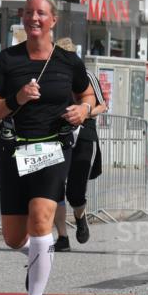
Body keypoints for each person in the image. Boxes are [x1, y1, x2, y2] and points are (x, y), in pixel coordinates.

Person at [0, 0, 96, 295]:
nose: (34, 18)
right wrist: (16, 98)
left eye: (41, 13)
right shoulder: (7, 60)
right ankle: (36, 254)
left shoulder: (68, 62)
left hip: (52, 150)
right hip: (14, 150)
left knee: (42, 218)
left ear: (53, 20)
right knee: (14, 238)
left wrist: (83, 109)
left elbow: (89, 95)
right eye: (29, 12)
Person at [51, 37, 108, 252]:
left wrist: (84, 111)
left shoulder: (87, 77)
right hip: (57, 134)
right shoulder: (52, 78)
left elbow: (103, 106)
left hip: (84, 135)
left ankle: (79, 216)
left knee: (75, 191)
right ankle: (62, 237)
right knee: (54, 187)